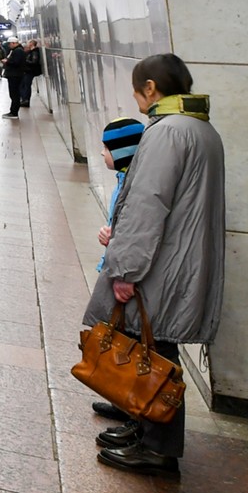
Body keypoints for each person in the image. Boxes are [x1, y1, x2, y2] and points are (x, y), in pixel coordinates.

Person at [82, 53, 225, 477]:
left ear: (150, 88)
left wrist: (125, 270)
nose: (138, 101)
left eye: (136, 93)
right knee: (149, 343)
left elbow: (147, 205)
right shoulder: (200, 128)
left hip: (162, 263)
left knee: (156, 349)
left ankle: (158, 449)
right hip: (179, 257)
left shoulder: (167, 133)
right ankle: (141, 423)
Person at [88, 116, 147, 424]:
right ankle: (122, 400)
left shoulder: (136, 185)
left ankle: (135, 413)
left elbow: (138, 230)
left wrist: (123, 269)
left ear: (123, 152)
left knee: (132, 342)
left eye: (106, 148)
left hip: (128, 273)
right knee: (121, 337)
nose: (102, 153)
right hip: (118, 264)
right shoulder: (124, 180)